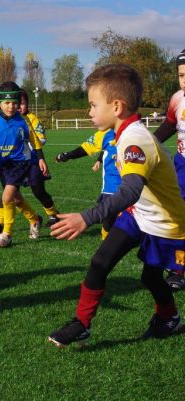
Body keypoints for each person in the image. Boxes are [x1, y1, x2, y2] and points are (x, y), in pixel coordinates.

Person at [48, 64, 185, 348]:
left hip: (168, 224)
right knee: (100, 262)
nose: (89, 112)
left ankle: (168, 317)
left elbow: (131, 190)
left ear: (117, 106)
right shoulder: (122, 134)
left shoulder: (135, 139)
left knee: (151, 277)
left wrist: (87, 217)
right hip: (140, 215)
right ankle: (82, 323)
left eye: (93, 105)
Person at [0, 81, 48, 247]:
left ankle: (7, 234)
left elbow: (35, 141)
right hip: (1, 165)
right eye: (7, 103)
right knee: (16, 199)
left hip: (20, 164)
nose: (11, 106)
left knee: (7, 196)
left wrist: (40, 158)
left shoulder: (23, 121)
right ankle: (35, 219)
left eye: (15, 103)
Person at [0, 90, 59, 234]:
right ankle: (0, 222)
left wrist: (27, 146)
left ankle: (53, 214)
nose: (17, 107)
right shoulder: (2, 120)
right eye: (11, 103)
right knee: (10, 192)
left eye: (21, 103)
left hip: (32, 161)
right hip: (14, 163)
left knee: (37, 189)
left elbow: (41, 139)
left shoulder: (30, 119)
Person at [152, 48, 185, 291]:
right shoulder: (177, 99)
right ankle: (179, 269)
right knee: (178, 216)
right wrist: (147, 144)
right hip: (182, 166)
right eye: (182, 75)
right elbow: (169, 127)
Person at [55, 128, 120, 239]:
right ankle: (106, 236)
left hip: (135, 182)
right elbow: (84, 149)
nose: (91, 114)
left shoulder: (135, 132)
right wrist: (67, 155)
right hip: (112, 184)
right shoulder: (104, 134)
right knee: (110, 216)